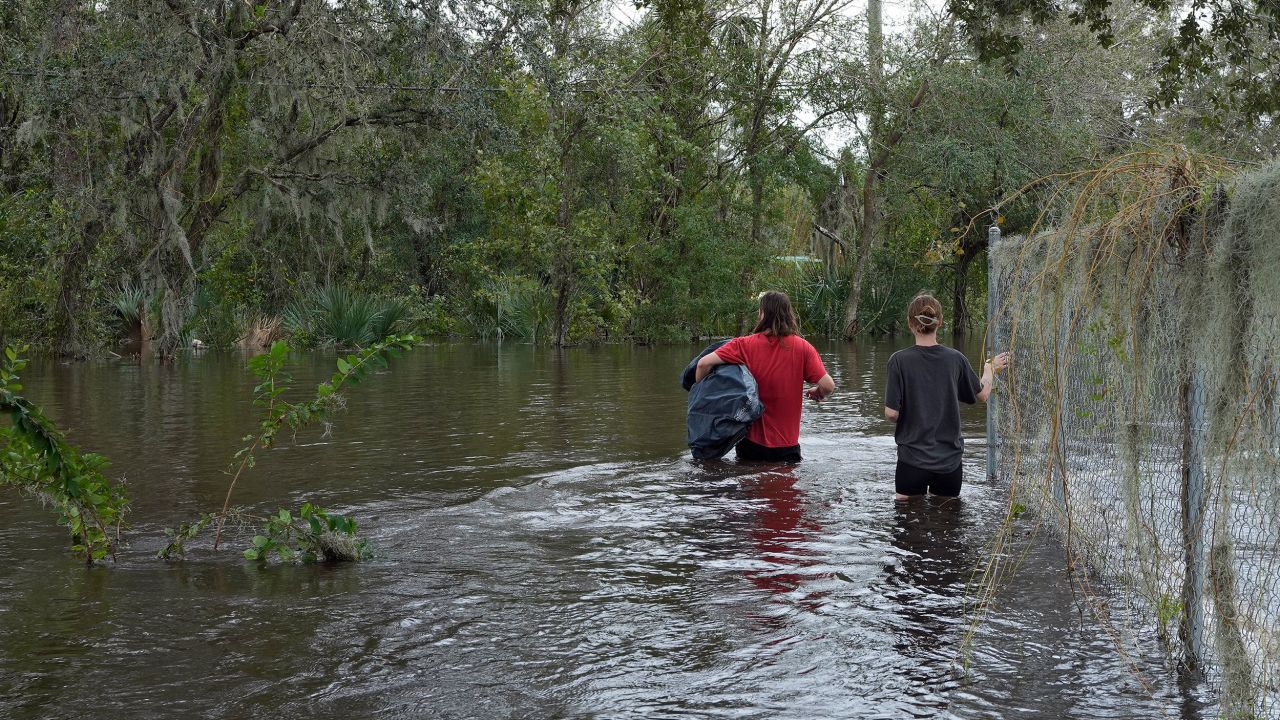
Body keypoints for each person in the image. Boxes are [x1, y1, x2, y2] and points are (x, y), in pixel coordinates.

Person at [884, 294, 1009, 499]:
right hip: (949, 462)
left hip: (912, 460)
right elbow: (983, 394)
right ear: (940, 322)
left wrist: (910, 415)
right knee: (948, 523)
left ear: (910, 323)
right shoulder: (955, 359)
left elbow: (891, 413)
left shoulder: (898, 361)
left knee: (907, 524)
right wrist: (990, 368)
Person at [695, 291, 835, 463]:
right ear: (788, 315)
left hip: (750, 446)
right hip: (787, 447)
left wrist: (703, 401)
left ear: (763, 314)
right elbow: (828, 386)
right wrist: (818, 392)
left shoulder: (743, 345)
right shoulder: (803, 348)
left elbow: (703, 364)